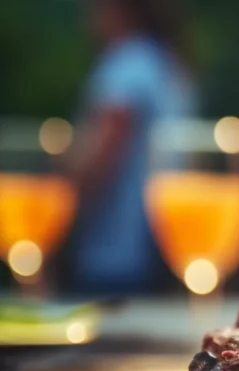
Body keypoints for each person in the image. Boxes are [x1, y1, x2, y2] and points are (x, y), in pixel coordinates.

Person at [63, 0, 196, 295]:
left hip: (112, 257)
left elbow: (97, 163)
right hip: (161, 250)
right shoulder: (166, 64)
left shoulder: (127, 65)